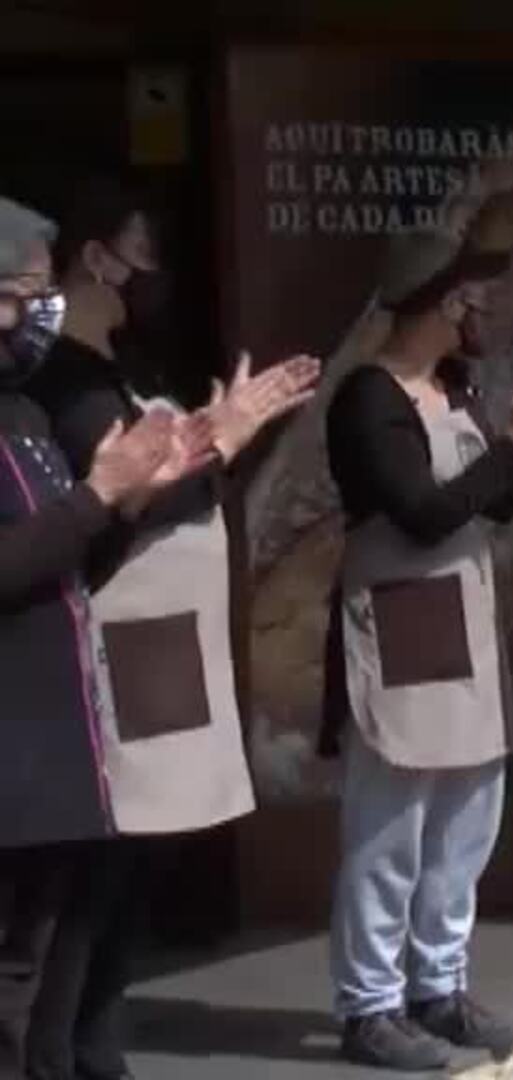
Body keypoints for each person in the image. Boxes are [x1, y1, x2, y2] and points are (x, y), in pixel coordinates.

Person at [17, 178, 319, 1080]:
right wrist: (216, 441)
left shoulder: (123, 363)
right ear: (98, 258)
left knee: (136, 866)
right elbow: (129, 498)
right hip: (112, 648)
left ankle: (93, 1036)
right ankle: (61, 1048)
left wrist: (221, 439)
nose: (159, 276)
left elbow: (181, 476)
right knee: (93, 872)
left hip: (168, 644)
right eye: (146, 255)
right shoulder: (62, 378)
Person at [323, 233, 513, 1072]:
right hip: (399, 621)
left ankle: (437, 985)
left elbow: (494, 510)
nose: (487, 314)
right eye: (477, 297)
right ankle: (370, 1005)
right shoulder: (370, 399)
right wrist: (509, 451)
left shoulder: (454, 388)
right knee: (389, 824)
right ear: (444, 304)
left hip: (465, 621)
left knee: (467, 816)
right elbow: (424, 513)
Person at [0, 196, 202, 1080]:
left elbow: (76, 560)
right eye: (21, 292)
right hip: (11, 750)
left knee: (42, 964)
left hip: (57, 745)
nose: (38, 311)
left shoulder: (25, 416)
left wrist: (133, 494)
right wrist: (99, 493)